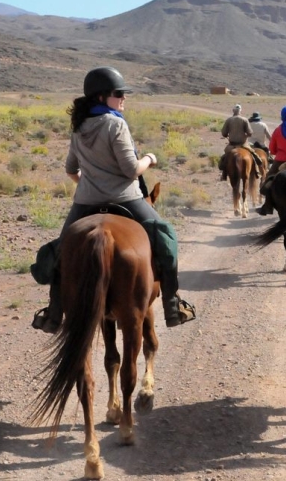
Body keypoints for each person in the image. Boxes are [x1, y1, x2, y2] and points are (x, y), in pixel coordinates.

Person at [30, 66, 196, 333]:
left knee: (62, 253)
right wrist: (150, 159)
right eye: (118, 93)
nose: (123, 98)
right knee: (166, 237)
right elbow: (131, 170)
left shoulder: (79, 126)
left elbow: (71, 170)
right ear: (100, 97)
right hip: (126, 199)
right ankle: (172, 304)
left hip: (85, 202)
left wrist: (88, 185)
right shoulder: (115, 123)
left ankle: (53, 313)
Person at [218, 104, 264, 180]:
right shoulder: (245, 120)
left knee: (225, 157)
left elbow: (224, 133)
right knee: (254, 155)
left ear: (233, 111)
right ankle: (256, 171)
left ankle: (224, 174)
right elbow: (250, 133)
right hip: (243, 144)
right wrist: (245, 135)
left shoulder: (229, 120)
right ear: (241, 111)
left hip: (232, 145)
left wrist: (228, 134)